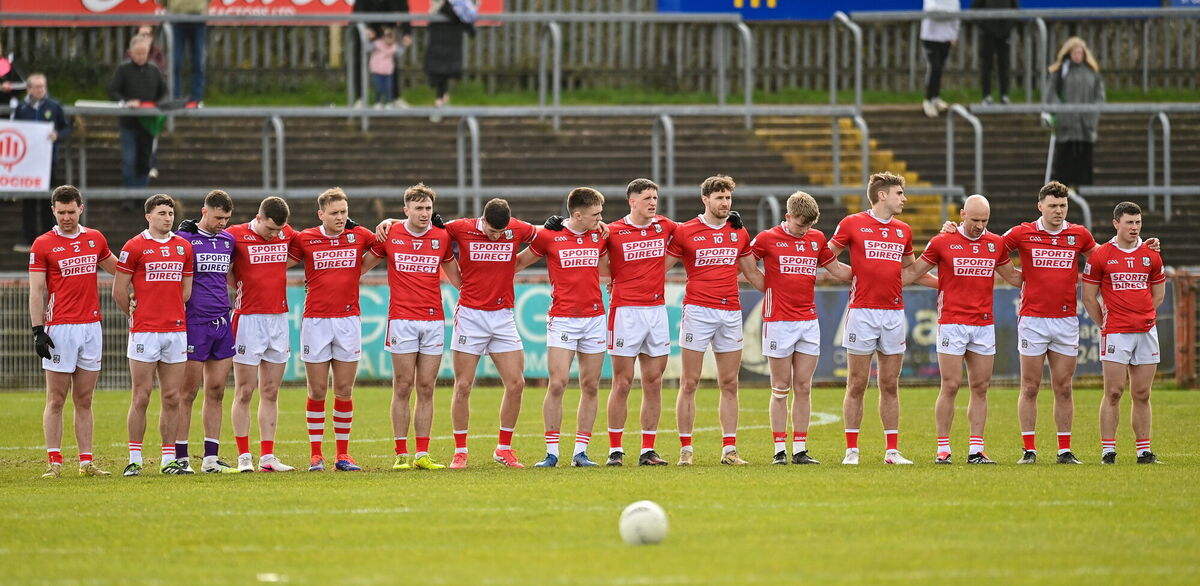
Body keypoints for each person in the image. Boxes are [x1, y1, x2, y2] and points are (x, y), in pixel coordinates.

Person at [903, 195, 1021, 464]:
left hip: (982, 324)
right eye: (975, 219)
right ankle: (943, 449)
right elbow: (913, 272)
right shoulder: (942, 241)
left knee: (980, 387)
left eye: (985, 221)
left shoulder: (995, 244)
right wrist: (881, 279)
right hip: (952, 323)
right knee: (951, 385)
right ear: (962, 214)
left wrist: (1051, 278)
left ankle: (976, 449)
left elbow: (1013, 276)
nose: (980, 226)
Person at [828, 171, 936, 466]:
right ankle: (852, 450)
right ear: (882, 195)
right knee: (857, 383)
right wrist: (846, 274)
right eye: (900, 193)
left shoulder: (903, 230)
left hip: (893, 313)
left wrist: (947, 283)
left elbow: (911, 272)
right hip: (862, 312)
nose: (905, 199)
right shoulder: (852, 223)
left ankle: (891, 451)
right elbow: (826, 254)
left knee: (890, 383)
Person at [665, 175, 763, 466]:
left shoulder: (738, 231)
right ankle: (685, 450)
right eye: (719, 198)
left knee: (730, 382)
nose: (724, 203)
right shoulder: (686, 231)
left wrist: (783, 289)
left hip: (730, 312)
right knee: (690, 381)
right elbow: (659, 268)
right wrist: (626, 285)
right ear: (705, 199)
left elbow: (753, 273)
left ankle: (729, 450)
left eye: (728, 198)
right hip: (697, 311)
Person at [361, 184, 460, 471]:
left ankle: (422, 454)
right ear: (406, 210)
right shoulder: (391, 233)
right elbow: (361, 266)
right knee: (402, 386)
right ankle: (401, 453)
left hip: (432, 321)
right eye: (418, 208)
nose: (424, 213)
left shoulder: (441, 237)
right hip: (401, 320)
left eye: (428, 208)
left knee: (426, 387)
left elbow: (458, 279)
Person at [749, 191, 851, 466]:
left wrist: (872, 270)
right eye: (800, 224)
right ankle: (779, 449)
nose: (805, 230)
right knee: (780, 388)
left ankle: (800, 449)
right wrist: (766, 286)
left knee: (804, 386)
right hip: (778, 322)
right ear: (788, 216)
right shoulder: (768, 238)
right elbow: (745, 263)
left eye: (809, 225)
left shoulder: (816, 239)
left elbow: (837, 269)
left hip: (807, 322)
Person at [28, 185, 119, 478]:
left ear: (81, 208)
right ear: (53, 211)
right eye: (61, 211)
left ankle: (86, 462)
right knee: (56, 398)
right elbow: (37, 290)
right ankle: (54, 463)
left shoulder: (95, 238)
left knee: (85, 399)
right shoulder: (42, 244)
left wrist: (150, 266)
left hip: (91, 327)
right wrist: (37, 330)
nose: (67, 217)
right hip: (60, 329)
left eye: (71, 211)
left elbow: (117, 269)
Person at [515, 188, 608, 468]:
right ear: (577, 214)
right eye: (595, 214)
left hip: (594, 319)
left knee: (590, 385)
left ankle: (581, 452)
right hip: (563, 318)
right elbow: (517, 262)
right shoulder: (549, 236)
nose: (601, 218)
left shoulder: (600, 234)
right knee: (557, 384)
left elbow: (616, 260)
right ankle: (552, 453)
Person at [287, 188, 377, 473]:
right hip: (316, 321)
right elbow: (280, 258)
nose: (340, 217)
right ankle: (316, 455)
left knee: (343, 389)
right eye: (335, 213)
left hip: (348, 320)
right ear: (321, 214)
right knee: (316, 390)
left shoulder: (359, 235)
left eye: (344, 212)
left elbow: (385, 244)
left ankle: (343, 455)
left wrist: (386, 223)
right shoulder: (305, 239)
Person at [112, 194, 194, 476]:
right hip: (145, 332)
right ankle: (134, 458)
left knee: (172, 396)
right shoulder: (134, 247)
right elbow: (118, 291)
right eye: (161, 213)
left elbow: (186, 290)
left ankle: (168, 460)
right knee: (141, 395)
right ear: (148, 216)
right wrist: (134, 315)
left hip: (175, 332)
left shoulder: (183, 247)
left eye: (170, 213)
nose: (167, 217)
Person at [1081, 202, 1165, 465]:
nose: (1134, 227)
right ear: (1116, 223)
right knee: (1114, 391)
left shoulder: (1150, 254)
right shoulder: (1102, 255)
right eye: (1129, 222)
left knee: (1142, 393)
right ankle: (1108, 450)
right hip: (1116, 333)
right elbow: (1088, 297)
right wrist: (1104, 323)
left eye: (1138, 222)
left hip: (1146, 332)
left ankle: (1143, 451)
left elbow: (1158, 293)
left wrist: (1144, 316)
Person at [603, 179, 677, 467]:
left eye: (655, 197)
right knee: (622, 383)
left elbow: (694, 235)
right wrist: (615, 278)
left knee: (654, 381)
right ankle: (615, 450)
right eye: (647, 198)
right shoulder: (612, 230)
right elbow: (596, 259)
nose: (652, 202)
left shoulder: (666, 226)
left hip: (656, 311)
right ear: (632, 201)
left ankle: (648, 450)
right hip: (626, 312)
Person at [226, 197, 298, 472]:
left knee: (271, 391)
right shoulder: (235, 235)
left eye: (279, 230)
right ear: (259, 217)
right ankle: (244, 457)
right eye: (270, 229)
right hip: (248, 320)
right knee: (245, 391)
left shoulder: (286, 233)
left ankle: (268, 457)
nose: (274, 235)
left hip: (278, 319)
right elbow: (225, 270)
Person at [173, 190, 238, 474]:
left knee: (217, 390)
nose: (222, 223)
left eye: (226, 218)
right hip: (194, 323)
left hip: (222, 322)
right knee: (187, 392)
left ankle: (211, 458)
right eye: (217, 217)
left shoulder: (228, 241)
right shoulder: (185, 239)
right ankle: (181, 456)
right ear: (204, 211)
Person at [14, 73, 73, 253]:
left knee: (49, 200)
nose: (40, 90)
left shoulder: (54, 106)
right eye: (37, 87)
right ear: (29, 89)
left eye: (43, 86)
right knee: (29, 201)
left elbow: (66, 127)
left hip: (48, 161)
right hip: (28, 163)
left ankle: (48, 237)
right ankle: (28, 239)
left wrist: (57, 135)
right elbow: (15, 129)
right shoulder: (22, 108)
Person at [108, 35, 167, 188]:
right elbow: (113, 91)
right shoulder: (123, 69)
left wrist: (157, 105)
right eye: (138, 53)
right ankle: (129, 196)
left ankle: (142, 196)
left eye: (144, 53)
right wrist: (127, 102)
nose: (141, 57)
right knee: (129, 160)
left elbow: (164, 92)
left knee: (144, 160)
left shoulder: (154, 70)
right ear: (131, 53)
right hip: (129, 123)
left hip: (148, 123)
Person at [1047, 36, 1105, 188]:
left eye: (1080, 52)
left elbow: (1099, 97)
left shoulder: (1093, 73)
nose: (1077, 55)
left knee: (1084, 166)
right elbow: (1052, 94)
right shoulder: (1060, 73)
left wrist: (1091, 116)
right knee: (1064, 166)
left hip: (1086, 128)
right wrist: (1062, 114)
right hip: (1065, 128)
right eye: (1074, 52)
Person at [353, 0, 413, 108]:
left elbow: (404, 10)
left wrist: (407, 33)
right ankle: (361, 98)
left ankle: (395, 98)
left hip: (386, 27)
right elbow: (357, 10)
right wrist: (366, 28)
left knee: (391, 60)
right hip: (366, 26)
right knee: (360, 61)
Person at [425, 0, 476, 122]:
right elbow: (448, 10)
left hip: (450, 36)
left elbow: (460, 12)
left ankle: (442, 100)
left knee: (444, 71)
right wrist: (468, 27)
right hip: (441, 35)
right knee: (440, 70)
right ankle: (439, 104)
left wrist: (467, 24)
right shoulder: (447, 6)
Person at [162, 0, 207, 107]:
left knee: (198, 62)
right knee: (175, 62)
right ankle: (176, 98)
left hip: (198, 18)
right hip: (176, 18)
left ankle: (197, 99)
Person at [972, 0, 1018, 104]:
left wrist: (1008, 27)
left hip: (1004, 34)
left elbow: (1015, 10)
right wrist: (984, 26)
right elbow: (973, 11)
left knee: (1004, 64)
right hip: (988, 34)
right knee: (987, 65)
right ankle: (986, 95)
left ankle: (1004, 95)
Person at [919, 0, 959, 118]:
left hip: (946, 37)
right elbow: (932, 11)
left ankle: (935, 97)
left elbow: (956, 15)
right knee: (934, 67)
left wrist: (954, 34)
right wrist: (948, 13)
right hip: (930, 37)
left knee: (939, 68)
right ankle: (928, 100)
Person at [369, 27, 400, 108]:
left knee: (389, 88)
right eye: (388, 37)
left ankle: (389, 103)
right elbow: (367, 48)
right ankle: (378, 102)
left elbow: (400, 52)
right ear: (383, 37)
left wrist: (405, 44)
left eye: (392, 37)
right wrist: (369, 38)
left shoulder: (394, 47)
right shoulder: (376, 44)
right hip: (377, 71)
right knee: (379, 88)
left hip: (388, 72)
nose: (390, 40)